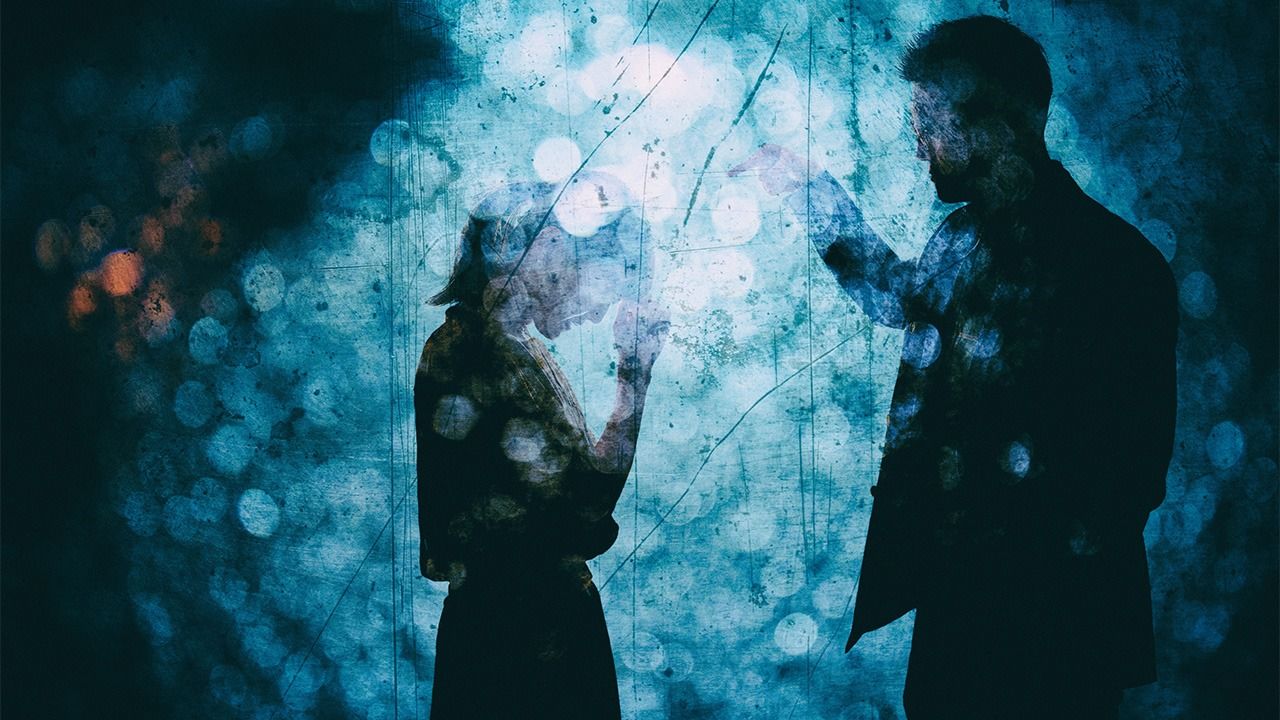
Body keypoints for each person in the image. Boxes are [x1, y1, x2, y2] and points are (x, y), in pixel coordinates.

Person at [733, 15, 1177, 720]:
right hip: (978, 616)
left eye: (930, 123)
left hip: (1047, 632)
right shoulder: (969, 240)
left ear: (997, 122)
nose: (918, 146)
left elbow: (1131, 473)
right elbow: (899, 299)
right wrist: (810, 192)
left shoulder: (1116, 268)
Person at [415, 173, 668, 719]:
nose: (599, 312)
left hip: (517, 637)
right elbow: (587, 505)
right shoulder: (483, 353)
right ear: (549, 245)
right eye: (604, 280)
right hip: (525, 650)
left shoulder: (499, 346)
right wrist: (634, 373)